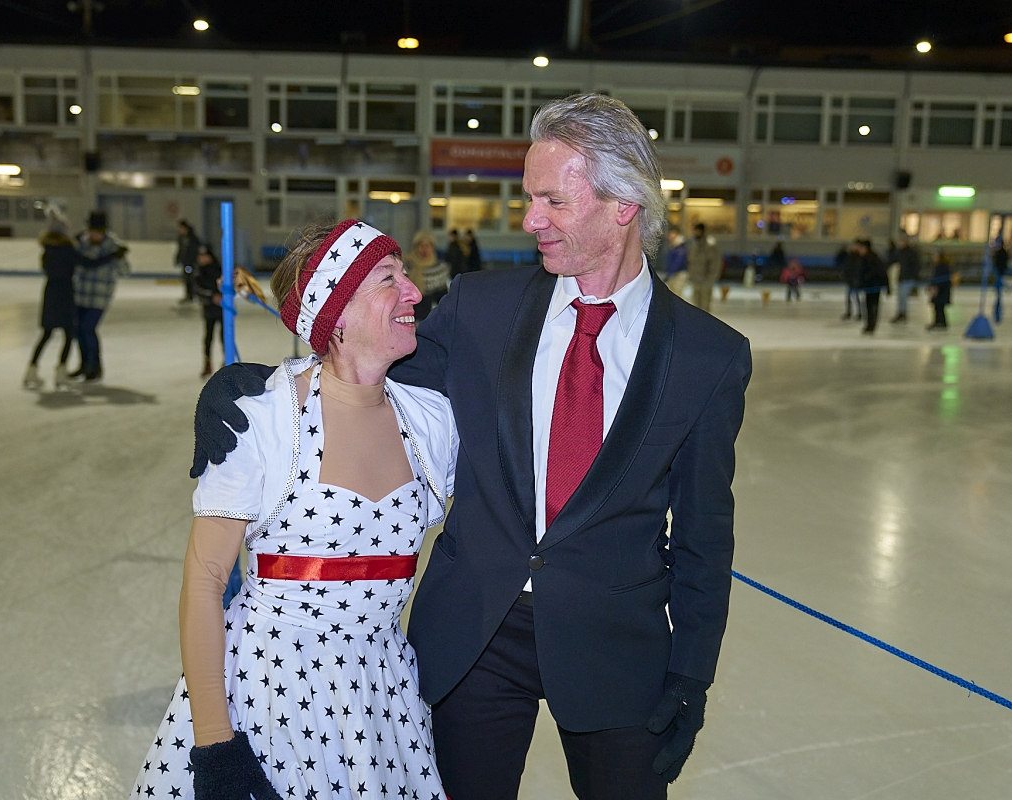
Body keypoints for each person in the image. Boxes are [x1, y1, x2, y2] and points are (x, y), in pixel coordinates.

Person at [194, 93, 753, 800]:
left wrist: (692, 672)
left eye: (552, 200)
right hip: (474, 634)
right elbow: (365, 367)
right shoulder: (481, 308)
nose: (530, 219)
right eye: (529, 198)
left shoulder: (707, 357)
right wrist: (258, 387)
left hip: (614, 645)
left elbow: (705, 534)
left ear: (624, 204)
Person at [132, 218, 456, 800]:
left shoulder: (429, 420)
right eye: (388, 278)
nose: (413, 291)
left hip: (380, 697)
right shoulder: (261, 418)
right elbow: (205, 581)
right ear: (337, 314)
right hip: (271, 691)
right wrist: (215, 747)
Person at [24, 211, 81, 390]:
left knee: (46, 334)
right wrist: (110, 256)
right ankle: (61, 373)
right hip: (65, 293)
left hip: (50, 293)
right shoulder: (68, 249)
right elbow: (85, 263)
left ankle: (31, 370)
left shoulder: (47, 250)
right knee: (68, 333)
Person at [71, 211, 130, 382]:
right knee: (78, 330)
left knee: (87, 328)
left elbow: (125, 272)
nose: (94, 235)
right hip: (81, 295)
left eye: (97, 232)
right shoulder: (82, 244)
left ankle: (95, 367)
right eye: (91, 231)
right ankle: (84, 365)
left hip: (99, 298)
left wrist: (119, 258)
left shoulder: (113, 247)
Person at [193, 243, 225, 378]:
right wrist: (211, 297)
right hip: (209, 309)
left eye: (204, 256)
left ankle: (227, 362)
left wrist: (223, 296)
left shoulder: (219, 269)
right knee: (208, 337)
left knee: (225, 336)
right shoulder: (198, 272)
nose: (202, 259)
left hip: (223, 308)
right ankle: (207, 363)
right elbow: (197, 289)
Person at [405, 229, 450, 321]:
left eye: (428, 246)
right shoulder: (406, 265)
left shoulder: (440, 268)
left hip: (429, 318)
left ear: (433, 248)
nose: (424, 249)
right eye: (421, 245)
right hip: (407, 316)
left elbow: (442, 297)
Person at [686, 221, 721, 312]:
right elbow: (691, 261)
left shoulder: (710, 245)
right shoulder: (694, 245)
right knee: (696, 306)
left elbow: (715, 263)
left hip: (705, 281)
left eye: (697, 231)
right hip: (695, 280)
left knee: (705, 306)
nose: (695, 233)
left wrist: (710, 278)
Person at [855, 238, 888, 334]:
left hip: (873, 286)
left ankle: (871, 325)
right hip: (870, 286)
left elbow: (878, 272)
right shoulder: (866, 258)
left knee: (872, 306)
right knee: (869, 306)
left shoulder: (872, 258)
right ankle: (869, 324)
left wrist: (867, 278)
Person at [890, 234, 921, 324]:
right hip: (902, 278)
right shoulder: (900, 252)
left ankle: (902, 313)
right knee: (900, 297)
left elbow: (915, 266)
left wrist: (915, 279)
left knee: (903, 297)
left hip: (908, 278)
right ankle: (901, 312)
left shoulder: (911, 253)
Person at [176, 220, 201, 304]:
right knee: (186, 278)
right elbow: (180, 249)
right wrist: (178, 258)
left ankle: (192, 295)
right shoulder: (181, 238)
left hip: (191, 263)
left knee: (191, 279)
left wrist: (193, 261)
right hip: (185, 263)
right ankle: (189, 295)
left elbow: (194, 250)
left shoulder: (192, 238)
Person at [928, 250, 953, 330]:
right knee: (938, 307)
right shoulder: (941, 266)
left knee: (939, 307)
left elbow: (940, 279)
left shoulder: (941, 267)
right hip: (940, 289)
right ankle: (939, 322)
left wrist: (935, 287)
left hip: (940, 290)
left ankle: (940, 322)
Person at [836, 244, 862, 320]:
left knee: (854, 296)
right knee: (850, 296)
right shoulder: (851, 257)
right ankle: (850, 312)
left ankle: (857, 312)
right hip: (851, 279)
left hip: (854, 279)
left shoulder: (856, 258)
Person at [662, 226, 689, 297]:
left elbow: (678, 261)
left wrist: (670, 273)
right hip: (673, 274)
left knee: (677, 294)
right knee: (672, 294)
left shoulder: (680, 246)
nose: (670, 236)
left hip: (679, 274)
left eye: (672, 233)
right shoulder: (673, 245)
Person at [990, 237, 1008, 323]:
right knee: (999, 286)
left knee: (998, 286)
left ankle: (998, 289)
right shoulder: (1004, 253)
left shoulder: (998, 253)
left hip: (999, 271)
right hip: (1001, 271)